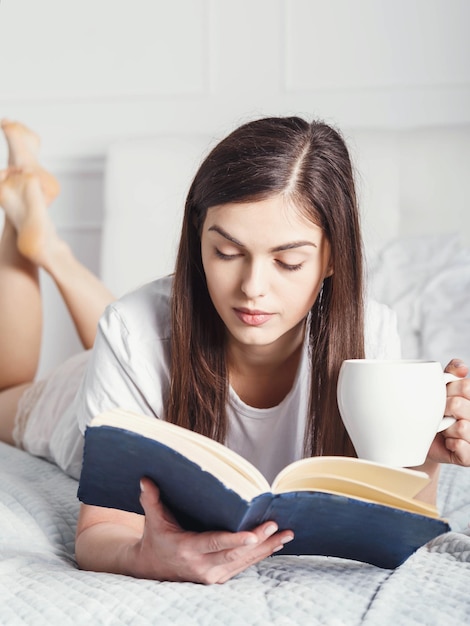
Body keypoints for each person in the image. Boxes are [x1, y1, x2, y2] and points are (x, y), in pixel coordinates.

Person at [0, 117, 469, 585]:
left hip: (145, 353)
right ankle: (30, 234)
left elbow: (400, 529)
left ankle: (46, 242)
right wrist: (146, 558)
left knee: (138, 327)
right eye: (226, 253)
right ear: (197, 239)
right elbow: (101, 531)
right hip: (88, 391)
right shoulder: (131, 334)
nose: (252, 289)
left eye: (289, 262)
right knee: (12, 388)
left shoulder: (370, 335)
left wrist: (423, 457)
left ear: (331, 258)